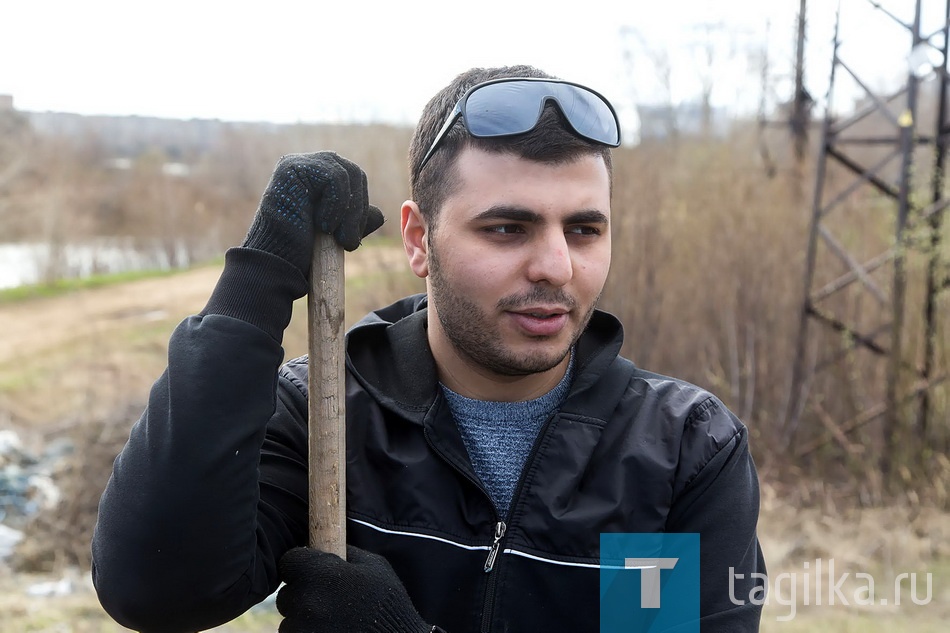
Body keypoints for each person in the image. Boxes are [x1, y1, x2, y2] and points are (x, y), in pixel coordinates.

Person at [92, 64, 766, 633]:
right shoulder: (325, 420)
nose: (557, 266)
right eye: (507, 228)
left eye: (585, 229)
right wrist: (256, 280)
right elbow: (154, 587)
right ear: (417, 239)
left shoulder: (677, 453)